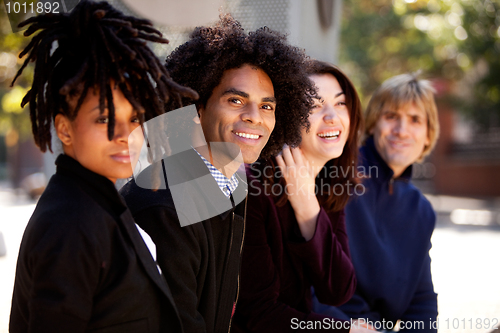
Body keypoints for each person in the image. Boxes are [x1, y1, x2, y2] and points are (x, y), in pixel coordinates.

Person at [120, 14, 316, 333]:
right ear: (197, 108)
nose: (255, 117)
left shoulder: (229, 188)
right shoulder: (164, 202)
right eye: (236, 100)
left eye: (267, 106)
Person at [9, 1, 197, 332]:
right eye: (105, 118)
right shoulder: (71, 223)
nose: (126, 135)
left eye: (135, 118)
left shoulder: (98, 202)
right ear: (64, 129)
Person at [232, 61, 374, 333]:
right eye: (315, 105)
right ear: (289, 117)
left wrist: (308, 207)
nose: (332, 116)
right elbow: (258, 314)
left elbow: (338, 290)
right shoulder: (254, 188)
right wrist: (344, 331)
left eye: (340, 103)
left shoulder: (328, 185)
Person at [313, 73, 440, 332]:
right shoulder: (337, 171)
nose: (401, 130)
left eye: (415, 120)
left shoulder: (421, 209)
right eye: (391, 117)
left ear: (428, 135)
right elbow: (306, 276)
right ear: (372, 124)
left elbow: (421, 300)